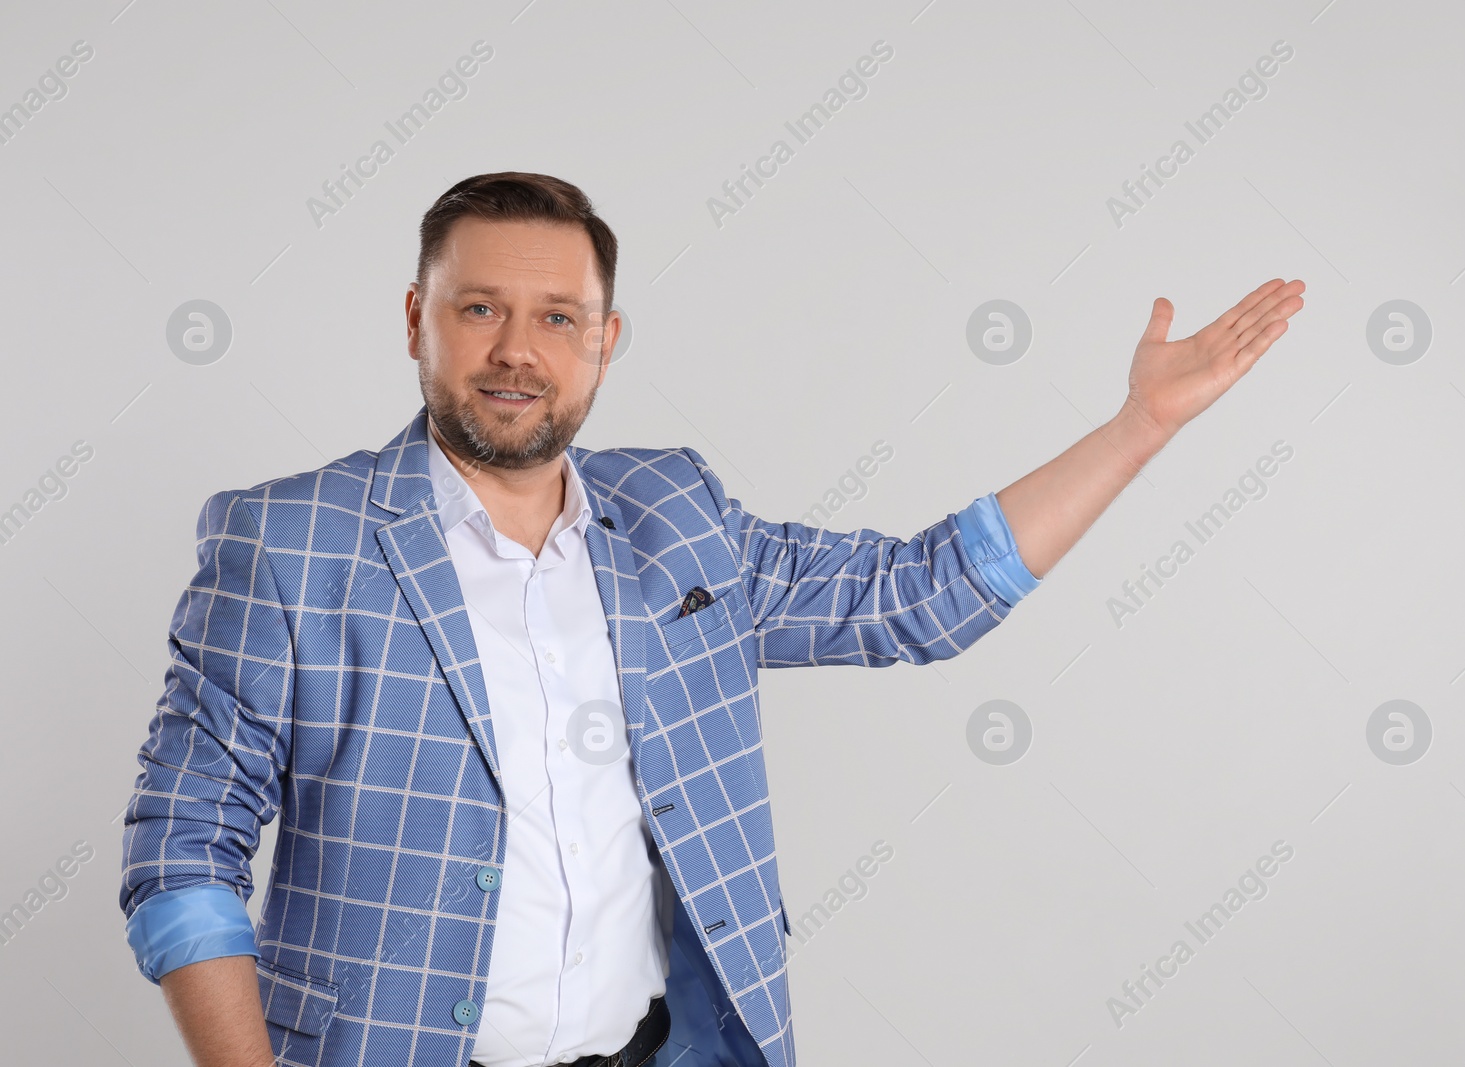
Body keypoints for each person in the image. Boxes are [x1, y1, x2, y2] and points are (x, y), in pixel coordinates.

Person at [118, 171, 1304, 1067]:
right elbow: (181, 853)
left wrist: (1136, 427)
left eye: (558, 317)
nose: (516, 350)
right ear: (417, 319)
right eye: (478, 307)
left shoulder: (675, 513)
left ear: (605, 341)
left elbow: (917, 597)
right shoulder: (287, 542)